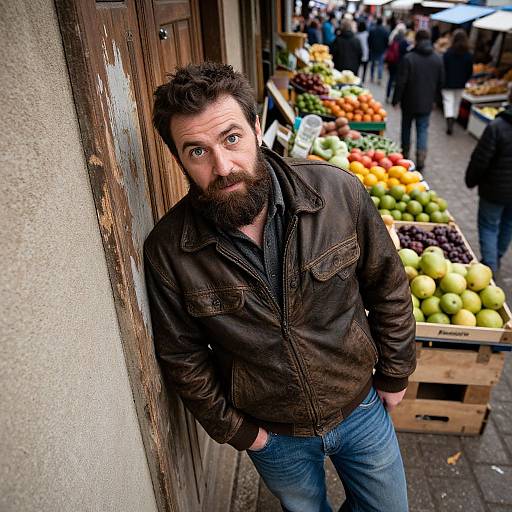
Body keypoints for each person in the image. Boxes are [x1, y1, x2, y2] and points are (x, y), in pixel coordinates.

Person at [146, 62, 416, 512]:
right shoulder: (169, 249)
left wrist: (395, 371)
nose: (223, 166)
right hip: (273, 436)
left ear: (256, 127)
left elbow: (387, 286)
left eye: (231, 138)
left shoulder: (336, 192)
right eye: (197, 151)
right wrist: (239, 432)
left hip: (360, 408)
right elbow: (181, 355)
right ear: (178, 158)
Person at [465, 86, 512, 273]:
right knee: (508, 223)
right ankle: (496, 257)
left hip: (494, 189)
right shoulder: (497, 127)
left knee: (489, 225)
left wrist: (471, 179)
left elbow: (480, 159)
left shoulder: (497, 127)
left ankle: (490, 266)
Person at [392, 29, 444, 171]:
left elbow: (401, 81)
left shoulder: (409, 58)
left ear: (416, 40)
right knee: (422, 130)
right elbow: (441, 83)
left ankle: (404, 155)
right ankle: (421, 159)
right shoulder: (437, 59)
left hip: (409, 101)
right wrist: (436, 101)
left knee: (406, 128)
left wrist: (395, 99)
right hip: (427, 102)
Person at [442, 29, 473, 135]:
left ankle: (449, 122)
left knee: (448, 102)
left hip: (448, 82)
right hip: (460, 83)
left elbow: (443, 68)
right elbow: (470, 71)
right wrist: (465, 80)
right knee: (456, 103)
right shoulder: (468, 55)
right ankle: (452, 121)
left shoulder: (448, 53)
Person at [385, 23, 409, 103]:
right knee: (396, 81)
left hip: (392, 62)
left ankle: (387, 95)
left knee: (390, 79)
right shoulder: (404, 42)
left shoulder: (393, 39)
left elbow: (389, 50)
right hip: (400, 64)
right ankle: (394, 98)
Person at [368, 17, 389, 84]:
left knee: (373, 64)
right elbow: (387, 41)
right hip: (381, 50)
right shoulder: (385, 31)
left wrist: (370, 47)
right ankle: (379, 78)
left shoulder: (372, 29)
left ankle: (372, 77)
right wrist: (385, 48)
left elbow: (369, 39)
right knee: (380, 65)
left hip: (373, 49)